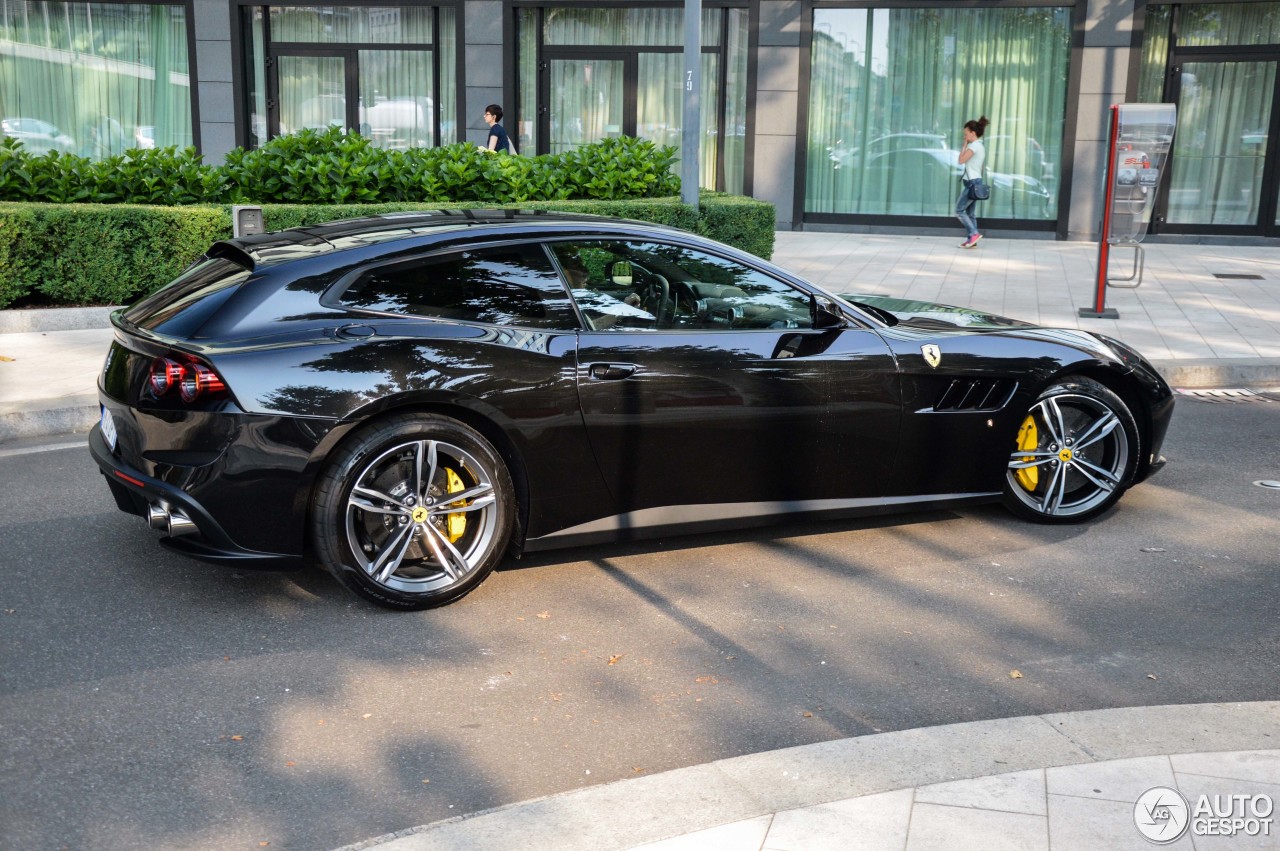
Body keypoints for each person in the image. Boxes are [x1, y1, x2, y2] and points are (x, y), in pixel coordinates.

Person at [956, 116, 990, 249]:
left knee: (959, 210)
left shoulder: (974, 146)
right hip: (976, 181)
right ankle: (972, 240)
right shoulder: (980, 146)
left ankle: (974, 234)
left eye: (966, 134)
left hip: (972, 183)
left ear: (972, 132)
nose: (964, 136)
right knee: (970, 213)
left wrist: (964, 145)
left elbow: (961, 160)